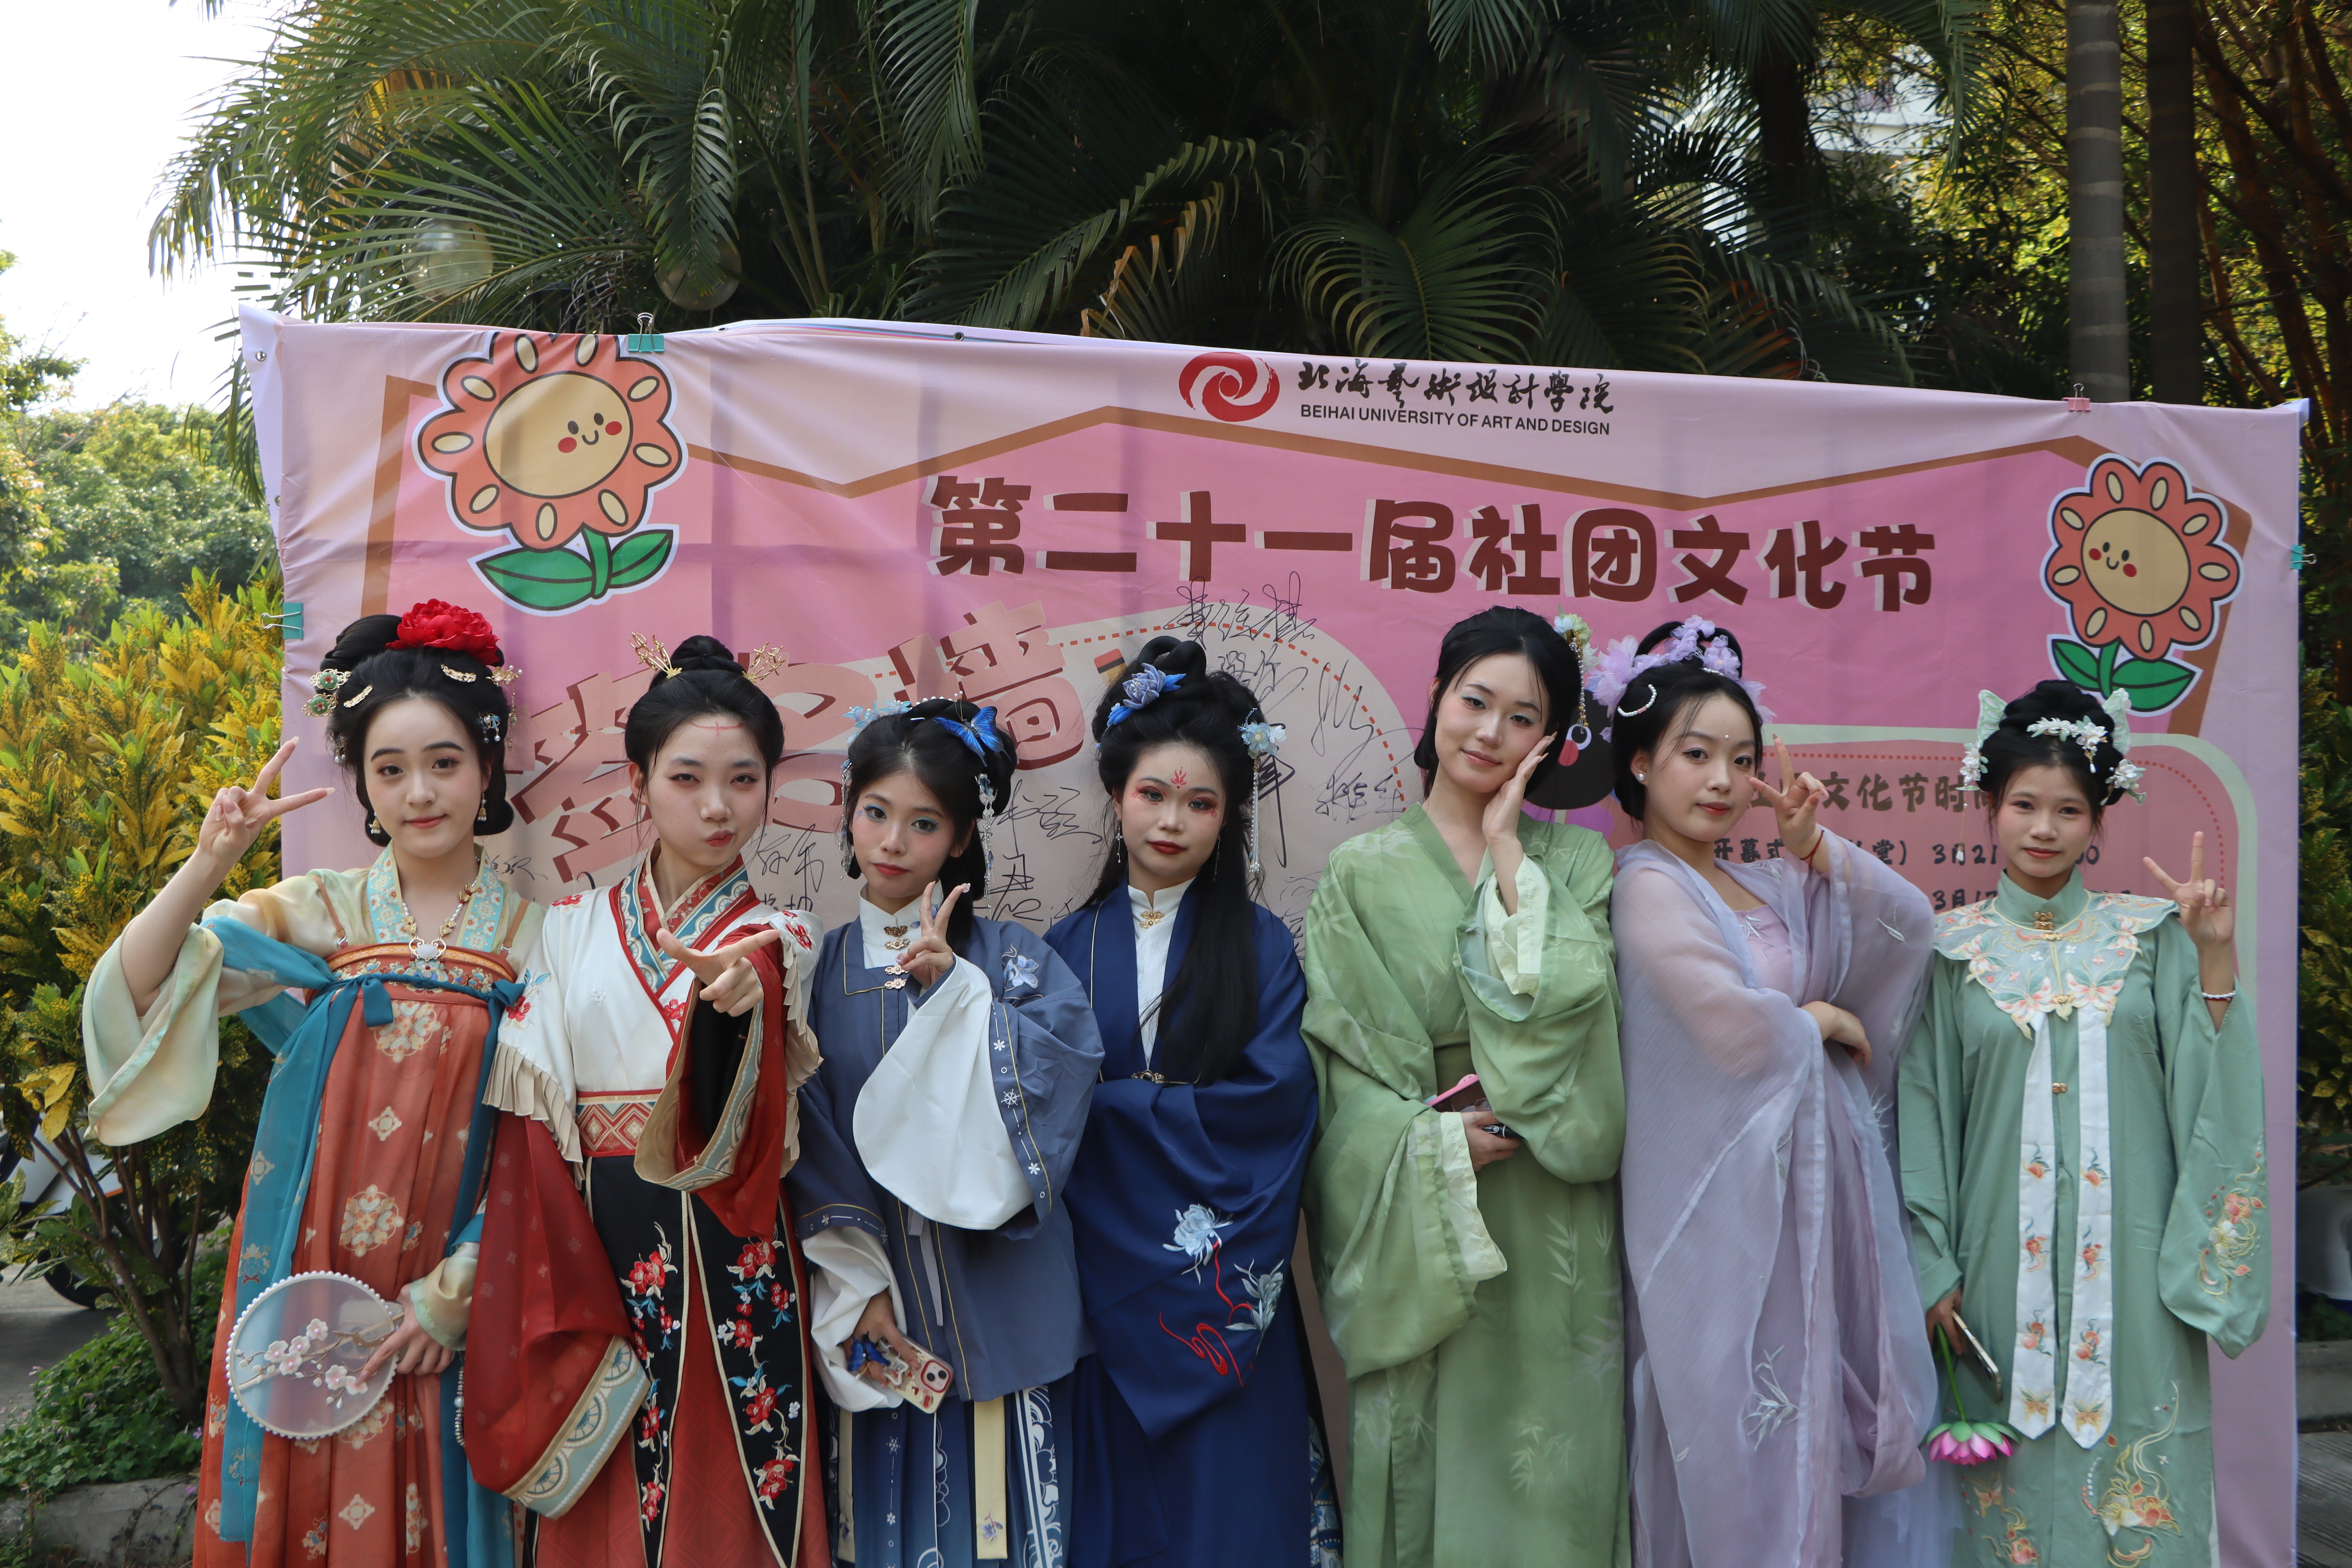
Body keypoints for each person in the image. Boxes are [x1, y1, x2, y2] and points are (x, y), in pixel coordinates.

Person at [81, 601, 545, 1567]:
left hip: (450, 1285)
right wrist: (209, 863)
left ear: (487, 768)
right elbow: (141, 991)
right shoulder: (320, 912)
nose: (421, 792)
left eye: (445, 762)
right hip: (311, 1264)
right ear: (363, 786)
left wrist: (456, 1289)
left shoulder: (537, 940)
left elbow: (544, 1143)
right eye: (390, 769)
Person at [1599, 616, 1948, 1567]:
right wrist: (1818, 1020)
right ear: (1640, 763)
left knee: (1806, 1419)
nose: (1722, 780)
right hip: (1724, 1205)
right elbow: (1722, 1026)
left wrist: (1814, 843)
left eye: (1741, 759)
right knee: (1736, 1420)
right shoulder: (1645, 887)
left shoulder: (1771, 882)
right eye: (1696, 754)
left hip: (1813, 1192)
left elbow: (1907, 926)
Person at [474, 634, 828, 1566]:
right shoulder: (567, 928)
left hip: (734, 1229)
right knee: (613, 1461)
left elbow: (764, 974)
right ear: (637, 782)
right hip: (600, 1235)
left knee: (736, 1459)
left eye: (744, 780)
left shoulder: (779, 934)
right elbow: (533, 1121)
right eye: (687, 779)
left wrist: (743, 998)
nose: (717, 807)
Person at [1900, 681, 2267, 1567]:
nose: (2044, 828)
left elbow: (2211, 1094)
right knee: (2006, 1516)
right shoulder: (1950, 953)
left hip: (2136, 1282)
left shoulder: (2153, 940)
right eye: (2024, 804)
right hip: (1993, 1281)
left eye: (2069, 810)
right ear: (1989, 805)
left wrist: (2216, 956)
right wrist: (1932, 1265)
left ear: (2099, 819)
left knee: (2139, 1488)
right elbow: (1923, 1112)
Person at [1299, 604, 1626, 1568]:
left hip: (1551, 1204)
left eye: (1524, 717)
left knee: (1554, 1475)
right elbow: (1347, 1076)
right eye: (1475, 701)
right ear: (1437, 696)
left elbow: (1579, 1016)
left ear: (1553, 740)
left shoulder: (1580, 860)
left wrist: (1510, 850)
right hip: (1427, 1214)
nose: (1491, 732)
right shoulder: (1360, 873)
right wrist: (1435, 1143)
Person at [1042, 636, 1341, 1568]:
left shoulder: (1262, 948)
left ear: (1229, 815)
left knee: (1229, 1525)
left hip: (1220, 1303)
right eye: (1153, 794)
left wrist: (1116, 1106)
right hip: (1096, 1300)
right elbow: (1038, 1117)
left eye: (1201, 803)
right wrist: (1148, 1104)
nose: (1172, 820)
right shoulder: (1061, 948)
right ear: (1116, 795)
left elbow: (1276, 1108)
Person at [790, 696, 1104, 1567]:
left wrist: (961, 996)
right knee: (883, 1524)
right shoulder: (815, 972)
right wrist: (858, 1286)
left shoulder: (1012, 960)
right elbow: (808, 1137)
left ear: (962, 837)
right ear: (848, 812)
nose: (893, 842)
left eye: (924, 823)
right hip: (873, 1291)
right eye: (875, 813)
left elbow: (1065, 1078)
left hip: (1001, 1296)